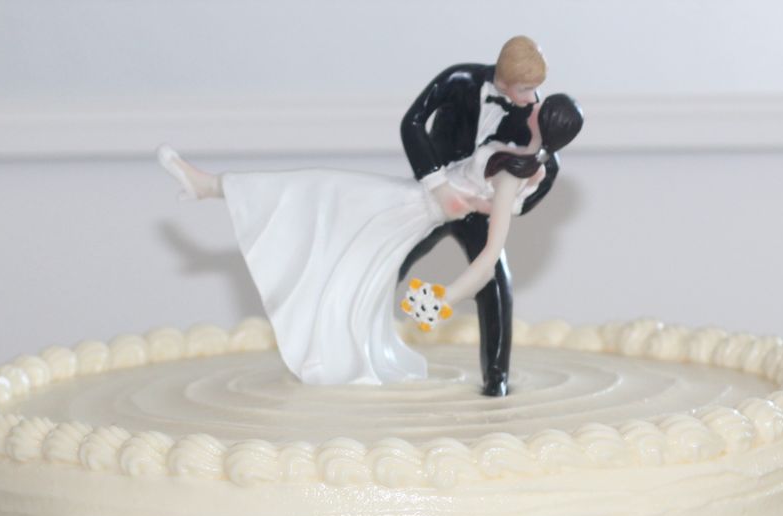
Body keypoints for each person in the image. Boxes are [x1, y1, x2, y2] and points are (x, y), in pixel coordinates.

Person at [157, 89, 582, 389]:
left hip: (415, 211)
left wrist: (444, 299)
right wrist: (463, 199)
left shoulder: (517, 173)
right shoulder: (518, 151)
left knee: (324, 198)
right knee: (330, 207)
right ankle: (211, 186)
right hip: (414, 200)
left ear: (541, 119)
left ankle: (214, 187)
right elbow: (480, 199)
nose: (532, 100)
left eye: (539, 102)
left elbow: (489, 256)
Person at [398, 37, 561, 396]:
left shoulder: (530, 118)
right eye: (525, 88)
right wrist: (440, 188)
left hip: (478, 209)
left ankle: (496, 379)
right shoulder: (459, 81)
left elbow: (538, 177)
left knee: (496, 283)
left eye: (538, 89)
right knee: (392, 259)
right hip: (433, 197)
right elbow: (411, 123)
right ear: (502, 79)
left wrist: (494, 205)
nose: (533, 98)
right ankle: (360, 337)